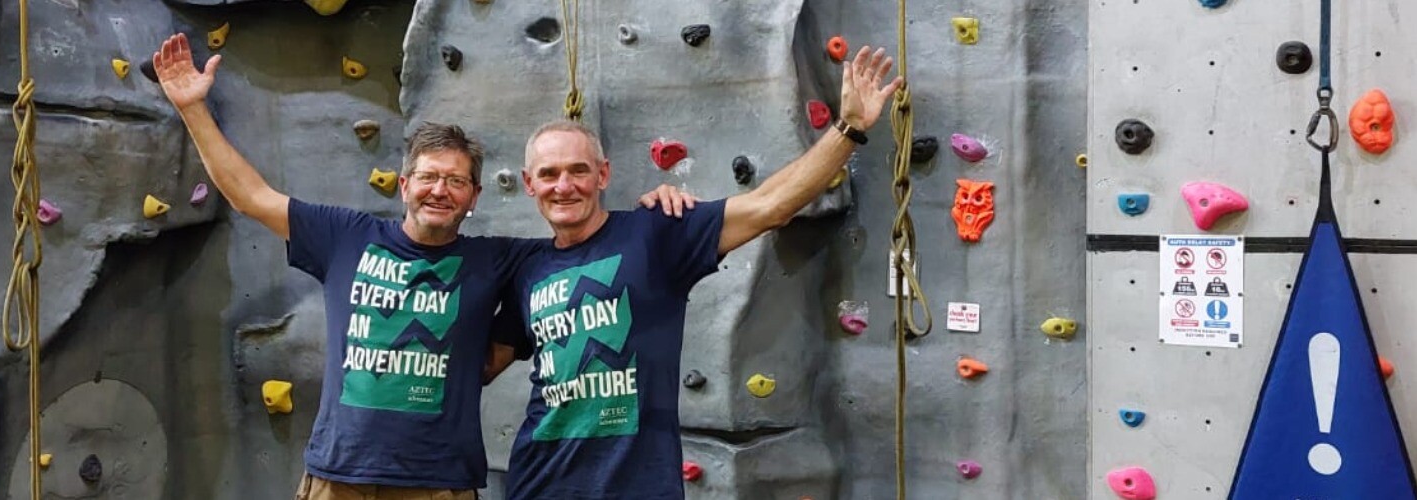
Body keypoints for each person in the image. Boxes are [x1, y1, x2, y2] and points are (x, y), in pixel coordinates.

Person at [149, 33, 695, 500]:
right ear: (405, 184)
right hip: (338, 480)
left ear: (474, 196)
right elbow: (250, 196)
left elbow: (585, 240)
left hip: (439, 484)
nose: (441, 190)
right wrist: (193, 107)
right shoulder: (345, 237)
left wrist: (656, 209)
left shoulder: (501, 258)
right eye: (429, 177)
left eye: (456, 181)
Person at [486, 46, 904, 499]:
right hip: (538, 486)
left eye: (578, 171)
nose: (563, 186)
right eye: (548, 174)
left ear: (603, 175)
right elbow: (482, 365)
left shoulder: (657, 235)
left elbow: (771, 205)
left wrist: (848, 129)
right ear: (529, 184)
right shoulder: (528, 270)